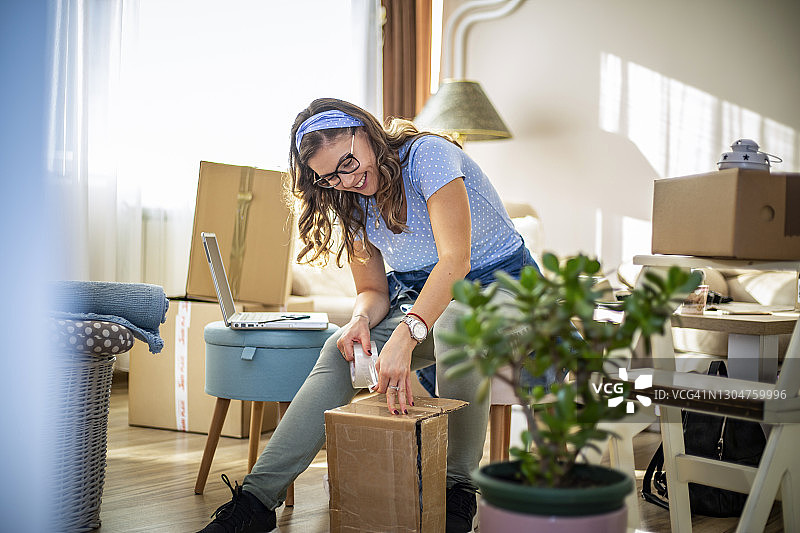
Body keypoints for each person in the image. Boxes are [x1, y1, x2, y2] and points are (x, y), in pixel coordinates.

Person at [198, 98, 539, 533]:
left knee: (457, 322)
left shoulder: (428, 156)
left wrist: (406, 335)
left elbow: (456, 261)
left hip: (508, 292)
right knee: (341, 348)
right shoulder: (351, 200)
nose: (347, 179)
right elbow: (374, 291)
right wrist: (360, 320)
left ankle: (457, 491)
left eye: (347, 161)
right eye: (330, 177)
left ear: (365, 130)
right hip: (433, 300)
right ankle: (255, 502)